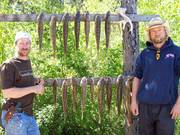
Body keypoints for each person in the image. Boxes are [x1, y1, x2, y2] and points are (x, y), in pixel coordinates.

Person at [131, 17, 180, 135]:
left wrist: (179, 104)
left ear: (165, 31)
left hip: (167, 108)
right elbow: (137, 77)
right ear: (149, 34)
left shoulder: (176, 52)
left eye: (159, 29)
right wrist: (134, 101)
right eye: (153, 30)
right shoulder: (144, 54)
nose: (156, 32)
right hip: (145, 107)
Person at [0, 32, 45, 135]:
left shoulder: (26, 62)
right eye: (21, 43)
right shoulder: (9, 65)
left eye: (27, 43)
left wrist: (35, 81)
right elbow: (7, 93)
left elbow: (21, 80)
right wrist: (34, 89)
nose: (24, 46)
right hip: (15, 116)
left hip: (29, 115)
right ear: (15, 45)